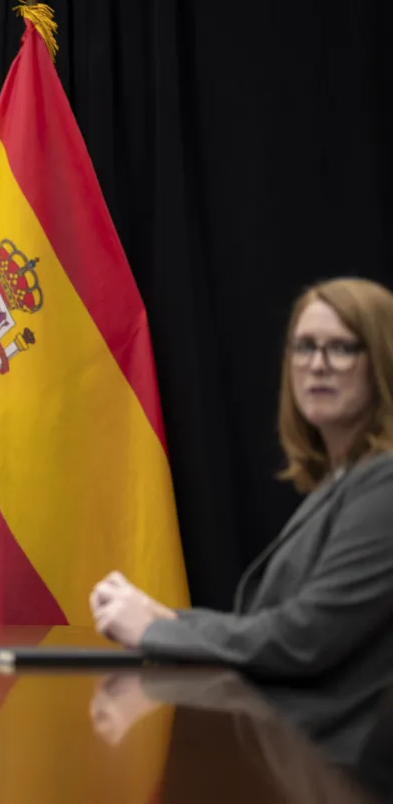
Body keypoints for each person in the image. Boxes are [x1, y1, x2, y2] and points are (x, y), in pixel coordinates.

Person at [91, 278, 393, 690]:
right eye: (304, 346)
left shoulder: (385, 484)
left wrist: (154, 632)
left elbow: (304, 639)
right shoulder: (340, 480)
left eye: (341, 348)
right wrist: (168, 618)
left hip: (335, 750)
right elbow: (269, 626)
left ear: (382, 361)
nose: (318, 364)